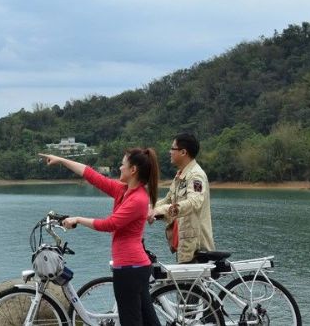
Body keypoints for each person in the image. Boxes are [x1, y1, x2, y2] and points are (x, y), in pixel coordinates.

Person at [39, 148, 161, 326]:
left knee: (131, 321)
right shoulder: (123, 191)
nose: (120, 168)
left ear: (133, 170)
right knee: (149, 321)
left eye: (122, 164)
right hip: (134, 267)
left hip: (130, 269)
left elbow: (109, 224)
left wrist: (78, 219)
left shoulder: (138, 199)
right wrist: (61, 160)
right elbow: (91, 175)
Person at [148, 132, 214, 263]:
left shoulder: (196, 176)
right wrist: (148, 208)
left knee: (186, 283)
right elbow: (168, 200)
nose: (170, 152)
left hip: (195, 246)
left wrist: (162, 210)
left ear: (183, 152)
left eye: (173, 148)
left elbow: (194, 202)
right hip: (184, 242)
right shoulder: (180, 176)